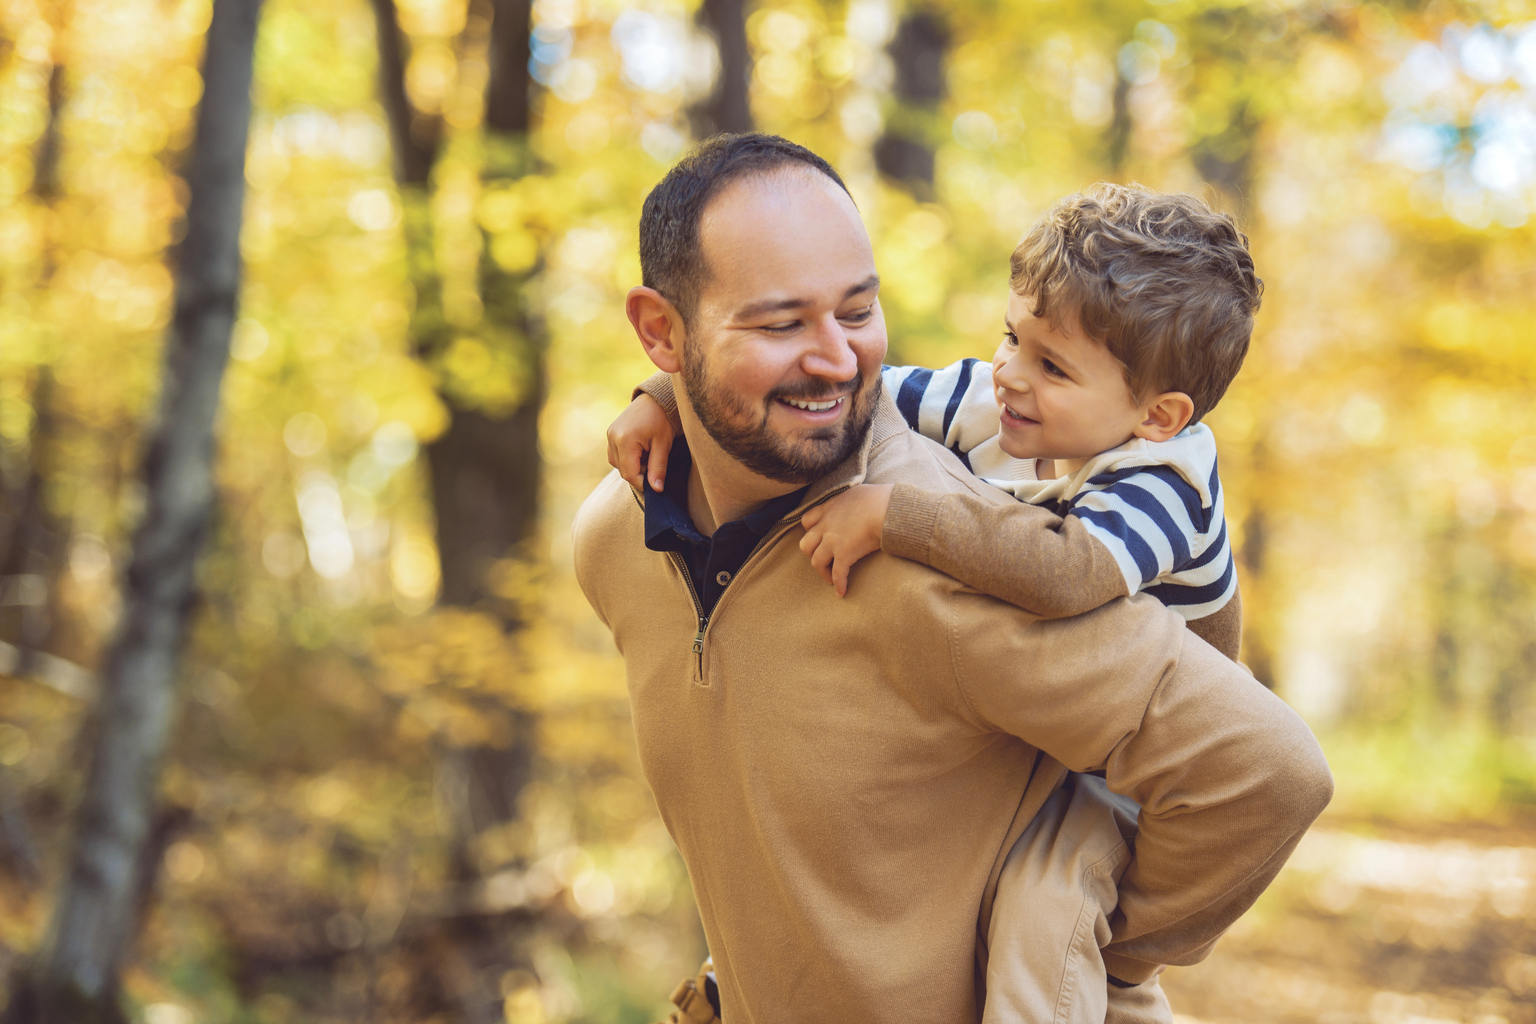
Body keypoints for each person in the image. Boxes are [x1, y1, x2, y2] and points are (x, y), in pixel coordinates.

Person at [573, 132, 1332, 1024]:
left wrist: (1111, 958)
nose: (838, 360)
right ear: (661, 331)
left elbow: (1269, 769)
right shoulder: (614, 538)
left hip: (1106, 783)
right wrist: (661, 396)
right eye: (782, 323)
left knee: (1051, 918)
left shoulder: (963, 560)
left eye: (857, 313)